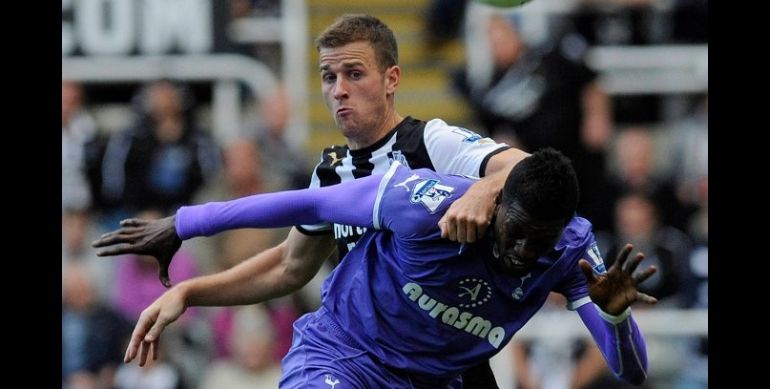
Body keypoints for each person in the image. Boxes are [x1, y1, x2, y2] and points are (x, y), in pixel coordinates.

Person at [95, 14, 528, 387]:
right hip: (364, 363)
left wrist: (485, 189)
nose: (339, 89)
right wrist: (189, 292)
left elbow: (529, 170)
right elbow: (289, 265)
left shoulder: (431, 142)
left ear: (391, 79)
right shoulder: (331, 171)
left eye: (354, 74)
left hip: (448, 367)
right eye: (328, 77)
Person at [113, 149, 657, 388]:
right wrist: (185, 223)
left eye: (539, 242)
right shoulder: (422, 201)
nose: (521, 250)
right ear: (495, 204)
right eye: (514, 230)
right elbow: (307, 206)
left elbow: (631, 373)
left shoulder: (573, 252)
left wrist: (614, 321)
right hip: (345, 355)